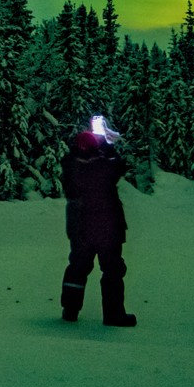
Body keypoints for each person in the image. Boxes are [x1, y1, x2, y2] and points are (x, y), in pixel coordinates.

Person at [59, 117, 136, 326]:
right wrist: (107, 144)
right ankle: (114, 314)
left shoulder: (71, 165)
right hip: (106, 228)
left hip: (80, 227)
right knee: (112, 269)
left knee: (77, 267)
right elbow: (118, 166)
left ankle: (70, 309)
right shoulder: (102, 166)